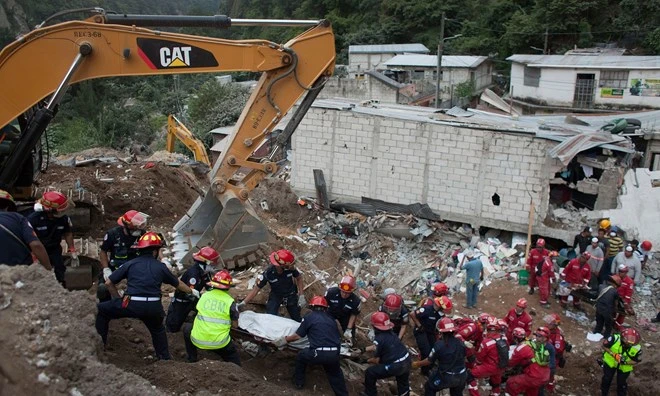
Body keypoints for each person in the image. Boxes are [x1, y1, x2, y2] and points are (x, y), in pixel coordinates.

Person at [95, 232, 198, 360]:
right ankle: (164, 359)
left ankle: (100, 348)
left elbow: (109, 283)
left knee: (102, 310)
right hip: (153, 307)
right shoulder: (160, 267)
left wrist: (117, 299)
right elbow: (178, 284)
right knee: (158, 330)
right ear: (155, 252)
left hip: (130, 303)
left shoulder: (131, 264)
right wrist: (191, 291)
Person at [275, 296, 348, 395]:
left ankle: (298, 383)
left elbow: (298, 336)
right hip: (334, 354)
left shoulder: (309, 317)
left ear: (312, 307)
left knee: (301, 356)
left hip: (318, 353)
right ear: (325, 308)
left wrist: (284, 340)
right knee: (335, 374)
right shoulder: (331, 320)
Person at [183, 269, 241, 365]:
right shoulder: (230, 302)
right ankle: (238, 370)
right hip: (220, 343)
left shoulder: (204, 296)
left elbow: (198, 311)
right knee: (233, 356)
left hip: (198, 340)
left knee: (187, 328)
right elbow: (235, 326)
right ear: (228, 287)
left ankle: (192, 359)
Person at [239, 248, 304, 322]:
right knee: (270, 317)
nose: (290, 267)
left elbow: (299, 278)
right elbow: (256, 289)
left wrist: (301, 295)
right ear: (281, 265)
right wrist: (244, 302)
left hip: (290, 295)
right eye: (288, 266)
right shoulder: (268, 273)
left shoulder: (290, 269)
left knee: (296, 318)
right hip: (276, 296)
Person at [166, 246, 219, 332]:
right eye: (212, 264)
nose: (214, 266)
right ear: (206, 262)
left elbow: (209, 287)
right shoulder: (193, 274)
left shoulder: (205, 272)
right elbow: (188, 294)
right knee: (173, 327)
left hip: (193, 300)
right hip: (181, 303)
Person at [98, 210, 148, 301]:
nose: (137, 232)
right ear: (126, 227)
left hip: (135, 270)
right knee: (102, 288)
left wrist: (163, 259)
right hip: (116, 269)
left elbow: (152, 248)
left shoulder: (142, 234)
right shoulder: (113, 234)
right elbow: (103, 251)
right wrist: (106, 269)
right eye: (134, 230)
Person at [27, 191, 76, 286]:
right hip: (38, 251)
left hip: (54, 249)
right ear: (50, 210)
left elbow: (67, 233)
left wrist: (72, 250)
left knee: (59, 269)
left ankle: (61, 286)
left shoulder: (63, 219)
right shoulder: (33, 219)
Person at [361, 312, 411, 396]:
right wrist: (364, 349)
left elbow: (377, 360)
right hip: (406, 360)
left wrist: (365, 360)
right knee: (403, 383)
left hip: (396, 366)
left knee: (370, 373)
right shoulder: (392, 334)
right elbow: (378, 346)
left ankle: (370, 394)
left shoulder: (379, 339)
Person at [413, 317, 467, 396]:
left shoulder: (439, 345)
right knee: (456, 393)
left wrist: (417, 364)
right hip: (462, 375)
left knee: (429, 387)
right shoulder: (460, 342)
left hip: (447, 376)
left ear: (440, 331)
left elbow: (429, 361)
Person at [0, 189, 51, 269]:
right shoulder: (18, 218)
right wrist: (48, 269)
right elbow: (36, 245)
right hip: (19, 273)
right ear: (8, 206)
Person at [410, 296, 452, 376]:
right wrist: (419, 325)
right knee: (426, 351)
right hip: (421, 331)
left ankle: (429, 366)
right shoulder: (426, 309)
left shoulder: (440, 314)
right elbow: (412, 314)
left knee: (434, 350)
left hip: (431, 332)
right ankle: (424, 371)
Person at [466, 316, 508, 396]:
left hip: (489, 366)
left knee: (469, 375)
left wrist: (476, 365)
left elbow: (479, 359)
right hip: (501, 366)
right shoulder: (504, 338)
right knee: (496, 384)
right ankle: (496, 393)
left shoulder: (486, 342)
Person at [505, 327, 552, 395]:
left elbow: (511, 363)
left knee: (511, 382)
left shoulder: (521, 348)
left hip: (534, 376)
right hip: (545, 376)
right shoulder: (536, 345)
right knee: (532, 389)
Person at [601, 328, 642, 396]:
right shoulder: (614, 338)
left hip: (624, 367)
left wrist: (625, 362)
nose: (629, 345)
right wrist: (613, 354)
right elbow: (604, 346)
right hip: (610, 362)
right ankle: (604, 393)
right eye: (628, 343)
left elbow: (636, 361)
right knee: (607, 379)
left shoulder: (637, 348)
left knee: (621, 383)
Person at [325, 275, 361, 342]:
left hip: (345, 318)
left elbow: (354, 315)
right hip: (330, 315)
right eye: (343, 292)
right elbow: (324, 305)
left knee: (349, 339)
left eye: (347, 293)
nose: (344, 294)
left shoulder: (355, 301)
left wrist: (349, 329)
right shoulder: (331, 293)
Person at [543, 314, 569, 394]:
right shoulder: (547, 330)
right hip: (543, 355)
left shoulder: (558, 337)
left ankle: (549, 388)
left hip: (552, 359)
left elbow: (557, 351)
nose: (547, 324)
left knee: (549, 375)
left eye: (550, 323)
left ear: (555, 325)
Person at [593, 275, 621, 339]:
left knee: (599, 323)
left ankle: (596, 333)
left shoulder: (601, 286)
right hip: (607, 311)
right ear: (615, 284)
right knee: (608, 325)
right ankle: (606, 337)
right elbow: (616, 303)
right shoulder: (615, 291)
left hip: (599, 308)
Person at [615, 265, 634, 331]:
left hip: (622, 299)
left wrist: (626, 303)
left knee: (623, 312)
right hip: (613, 297)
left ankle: (618, 325)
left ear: (626, 272)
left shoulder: (629, 281)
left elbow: (628, 294)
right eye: (620, 271)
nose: (620, 273)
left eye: (622, 272)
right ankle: (611, 322)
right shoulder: (615, 277)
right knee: (611, 310)